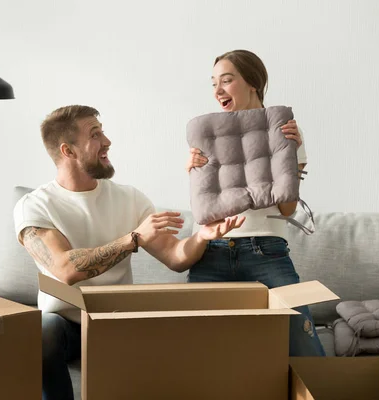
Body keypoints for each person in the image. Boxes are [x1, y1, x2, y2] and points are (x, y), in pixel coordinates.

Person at [14, 105, 245, 400]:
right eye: (95, 134)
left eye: (103, 131)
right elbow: (64, 269)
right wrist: (133, 239)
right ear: (68, 151)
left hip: (118, 321)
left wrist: (202, 236)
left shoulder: (129, 198)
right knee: (39, 332)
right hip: (65, 325)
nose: (107, 141)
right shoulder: (35, 205)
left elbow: (175, 257)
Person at [185, 49, 325, 357]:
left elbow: (287, 210)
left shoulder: (286, 133)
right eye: (213, 84)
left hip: (267, 252)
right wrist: (195, 170)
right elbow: (206, 210)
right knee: (200, 353)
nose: (218, 90)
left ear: (252, 83)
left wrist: (288, 155)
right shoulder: (208, 138)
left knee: (305, 346)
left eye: (227, 80)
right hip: (212, 252)